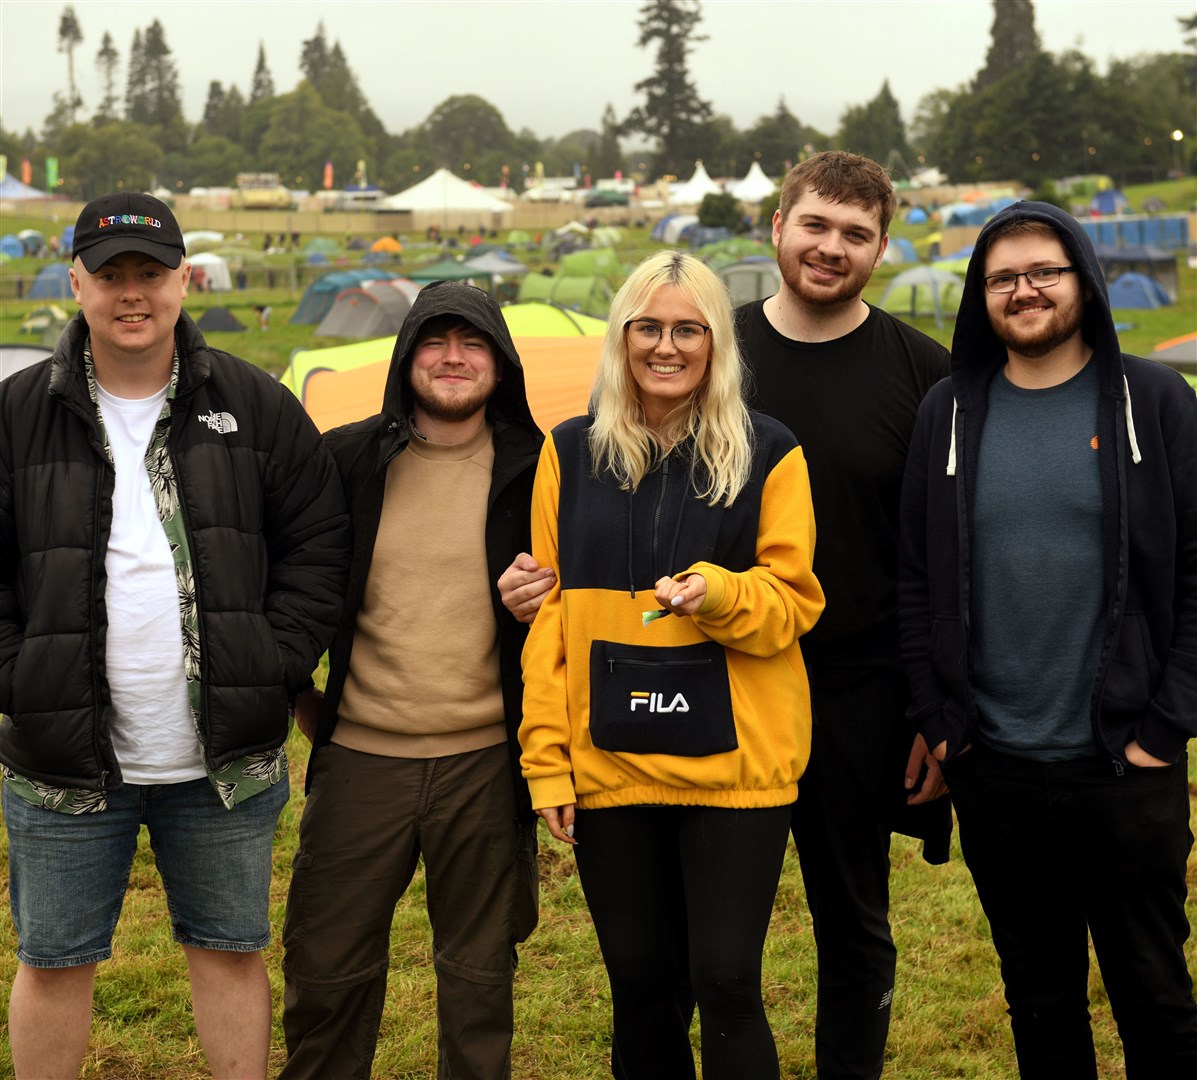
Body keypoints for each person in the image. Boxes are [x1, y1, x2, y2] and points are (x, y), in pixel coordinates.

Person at [501, 152, 953, 1080]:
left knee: (843, 921)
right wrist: (527, 593)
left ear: (881, 247)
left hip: (847, 691)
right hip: (655, 708)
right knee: (657, 965)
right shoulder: (682, 356)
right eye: (815, 225)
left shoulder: (921, 375)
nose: (830, 248)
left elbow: (942, 556)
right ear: (778, 226)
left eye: (855, 234)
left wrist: (933, 711)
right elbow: (563, 568)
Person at [0, 191, 349, 1080]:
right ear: (73, 282)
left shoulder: (257, 404)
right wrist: (16, 677)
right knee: (51, 961)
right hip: (61, 755)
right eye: (109, 274)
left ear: (183, 279)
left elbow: (319, 543)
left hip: (222, 757)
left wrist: (272, 663)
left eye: (149, 274)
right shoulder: (14, 414)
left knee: (230, 950)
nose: (131, 294)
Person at [899, 201, 1197, 1079]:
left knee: (1155, 995)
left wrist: (1163, 729)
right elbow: (916, 582)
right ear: (979, 295)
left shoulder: (1154, 399)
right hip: (995, 765)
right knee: (1037, 995)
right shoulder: (947, 412)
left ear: (1083, 282)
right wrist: (943, 722)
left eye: (1043, 272)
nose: (1023, 290)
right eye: (1002, 278)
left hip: (1122, 764)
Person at [519, 250, 825, 1079]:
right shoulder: (568, 453)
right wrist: (546, 768)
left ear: (716, 343)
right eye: (647, 327)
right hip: (610, 768)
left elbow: (794, 603)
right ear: (620, 337)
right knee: (642, 989)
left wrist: (721, 595)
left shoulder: (770, 451)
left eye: (687, 329)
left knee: (726, 979)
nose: (666, 345)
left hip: (737, 772)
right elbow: (548, 627)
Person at [280, 281, 543, 1080]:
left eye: (474, 344)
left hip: (488, 762)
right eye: (436, 340)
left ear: (501, 364)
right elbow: (293, 584)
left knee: (477, 978)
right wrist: (300, 699)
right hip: (362, 756)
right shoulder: (348, 457)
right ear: (406, 357)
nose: (454, 358)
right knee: (326, 967)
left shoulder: (542, 470)